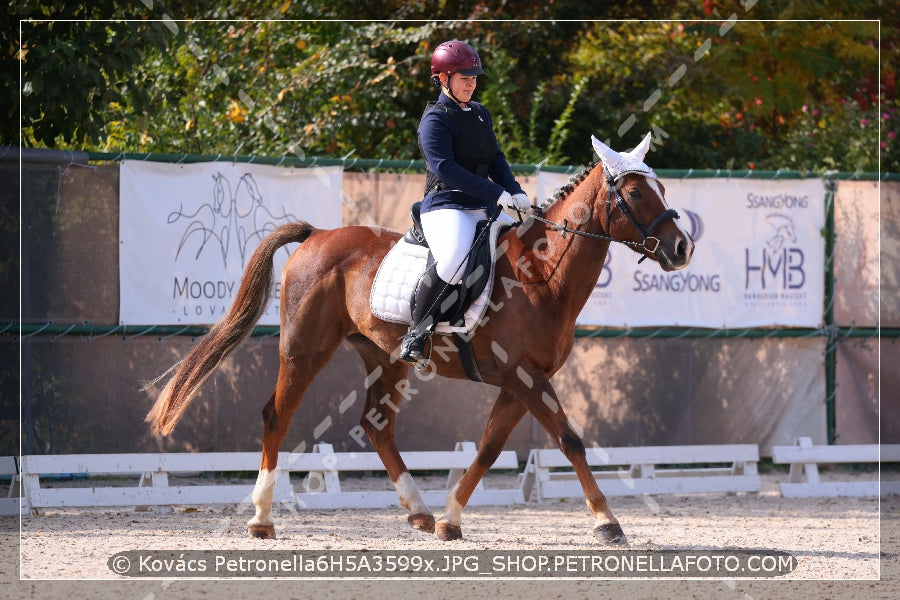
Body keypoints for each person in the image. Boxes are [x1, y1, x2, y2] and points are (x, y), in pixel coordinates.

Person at [398, 40, 531, 367]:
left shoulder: (481, 114)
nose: (472, 82)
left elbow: (496, 158)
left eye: (474, 77)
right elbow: (445, 168)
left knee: (524, 242)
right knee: (455, 257)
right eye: (464, 77)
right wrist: (493, 194)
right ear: (443, 79)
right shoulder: (434, 120)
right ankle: (418, 331)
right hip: (446, 205)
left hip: (484, 206)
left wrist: (514, 190)